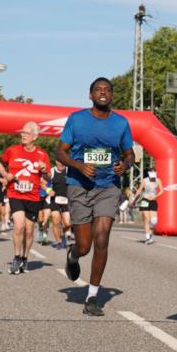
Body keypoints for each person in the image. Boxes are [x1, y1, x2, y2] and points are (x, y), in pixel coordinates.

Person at [56, 77, 135, 316]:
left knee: (102, 239)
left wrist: (126, 164)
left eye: (107, 90)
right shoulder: (77, 120)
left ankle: (92, 296)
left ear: (112, 96)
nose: (103, 93)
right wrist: (79, 166)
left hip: (108, 187)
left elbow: (130, 153)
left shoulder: (121, 123)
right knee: (85, 245)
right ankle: (73, 253)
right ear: (90, 95)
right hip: (79, 185)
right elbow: (60, 152)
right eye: (98, 90)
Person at [0, 122, 52, 274]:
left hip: (33, 196)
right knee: (19, 226)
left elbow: (48, 176)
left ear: (35, 137)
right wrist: (5, 175)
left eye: (27, 133)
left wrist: (44, 170)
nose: (23, 135)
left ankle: (25, 257)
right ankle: (16, 257)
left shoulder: (42, 155)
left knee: (29, 231)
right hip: (15, 193)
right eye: (22, 133)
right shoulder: (13, 150)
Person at [130, 170, 159, 244]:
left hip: (153, 201)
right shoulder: (145, 181)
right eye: (151, 177)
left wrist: (155, 196)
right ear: (149, 175)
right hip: (145, 201)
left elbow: (162, 190)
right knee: (147, 219)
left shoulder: (158, 180)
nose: (153, 178)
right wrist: (134, 199)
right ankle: (148, 237)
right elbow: (139, 190)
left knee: (154, 221)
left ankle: (151, 234)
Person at [49, 160, 71, 250]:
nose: (61, 164)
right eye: (59, 162)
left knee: (67, 224)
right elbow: (42, 181)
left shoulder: (69, 171)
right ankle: (58, 242)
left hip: (67, 199)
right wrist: (48, 190)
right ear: (56, 162)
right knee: (55, 221)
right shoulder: (52, 171)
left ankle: (63, 235)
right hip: (55, 199)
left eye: (63, 162)